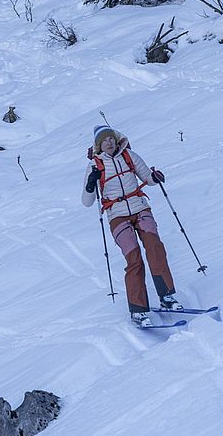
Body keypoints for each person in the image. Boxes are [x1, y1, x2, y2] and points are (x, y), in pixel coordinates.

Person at [82, 125, 184, 327]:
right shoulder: (95, 166)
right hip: (117, 216)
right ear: (99, 145)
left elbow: (148, 178)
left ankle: (167, 297)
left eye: (111, 138)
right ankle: (138, 310)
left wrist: (155, 178)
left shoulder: (129, 156)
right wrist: (90, 183)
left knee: (155, 248)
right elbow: (87, 201)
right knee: (134, 257)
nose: (109, 143)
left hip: (140, 208)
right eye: (104, 141)